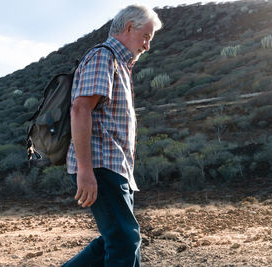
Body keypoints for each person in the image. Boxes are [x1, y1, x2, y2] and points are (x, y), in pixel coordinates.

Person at [63, 5, 162, 267]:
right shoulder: (103, 56)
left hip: (115, 167)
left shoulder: (119, 63)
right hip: (100, 165)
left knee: (116, 240)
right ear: (129, 27)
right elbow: (80, 109)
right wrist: (85, 170)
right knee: (124, 241)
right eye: (146, 37)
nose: (147, 46)